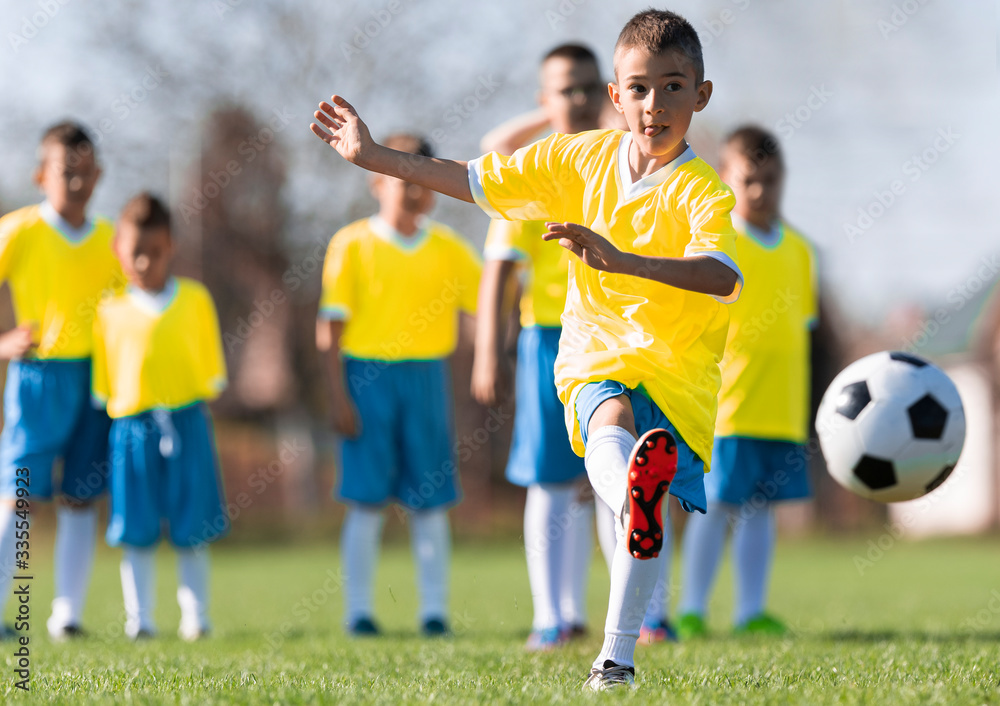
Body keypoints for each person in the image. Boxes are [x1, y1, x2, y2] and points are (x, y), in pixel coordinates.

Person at [310, 9, 742, 689]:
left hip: (679, 372)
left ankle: (617, 655)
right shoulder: (579, 158)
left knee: (638, 503)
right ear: (616, 95)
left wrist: (624, 261)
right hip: (596, 354)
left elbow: (723, 277)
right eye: (638, 88)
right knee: (612, 433)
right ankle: (627, 513)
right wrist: (374, 157)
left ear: (702, 95)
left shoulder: (702, 191)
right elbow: (474, 179)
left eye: (673, 87)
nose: (654, 105)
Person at [471, 43, 608, 651]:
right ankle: (551, 617)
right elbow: (500, 269)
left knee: (609, 476)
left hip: (615, 340)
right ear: (544, 99)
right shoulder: (530, 170)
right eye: (563, 89)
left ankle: (626, 616)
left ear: (607, 92)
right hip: (549, 339)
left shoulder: (624, 161)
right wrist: (487, 351)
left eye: (588, 87)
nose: (577, 99)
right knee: (552, 478)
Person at [316, 134, 482, 637]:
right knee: (366, 501)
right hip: (366, 381)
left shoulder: (450, 248)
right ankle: (358, 613)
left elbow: (489, 303)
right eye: (399, 176)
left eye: (420, 177)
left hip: (427, 380)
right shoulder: (351, 244)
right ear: (376, 182)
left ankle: (434, 613)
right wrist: (337, 395)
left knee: (429, 501)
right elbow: (330, 328)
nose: (412, 189)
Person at [677, 125, 817, 639]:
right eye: (748, 180)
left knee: (761, 509)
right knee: (715, 506)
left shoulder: (800, 251)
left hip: (780, 408)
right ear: (726, 178)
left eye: (771, 180)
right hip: (728, 406)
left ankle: (749, 612)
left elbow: (802, 329)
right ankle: (691, 609)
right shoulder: (720, 244)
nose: (760, 191)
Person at [0, 122, 123, 639]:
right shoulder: (19, 230)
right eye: (66, 171)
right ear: (41, 175)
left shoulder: (112, 239)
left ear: (99, 175)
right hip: (39, 377)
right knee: (19, 491)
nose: (77, 181)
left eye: (86, 171)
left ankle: (67, 616)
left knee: (81, 495)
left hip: (96, 381)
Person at [92, 192, 229, 640]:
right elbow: (104, 386)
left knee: (193, 526)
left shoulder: (195, 299)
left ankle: (197, 617)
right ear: (118, 249)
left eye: (155, 251)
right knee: (135, 527)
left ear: (170, 246)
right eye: (136, 252)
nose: (145, 262)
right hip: (131, 430)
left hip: (188, 423)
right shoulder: (108, 311)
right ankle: (141, 620)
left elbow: (211, 373)